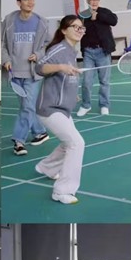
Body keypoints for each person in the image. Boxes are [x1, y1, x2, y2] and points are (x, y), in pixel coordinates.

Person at [35, 15, 85, 205]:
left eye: (82, 28)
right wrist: (61, 66)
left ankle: (46, 167)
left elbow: (66, 80)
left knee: (68, 142)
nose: (79, 30)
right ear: (64, 30)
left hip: (63, 109)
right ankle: (62, 191)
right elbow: (39, 68)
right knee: (76, 143)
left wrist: (73, 94)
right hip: (49, 108)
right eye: (75, 27)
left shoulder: (72, 51)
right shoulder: (59, 49)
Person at [1, 0, 50, 156]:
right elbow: (2, 44)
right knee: (26, 106)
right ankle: (40, 132)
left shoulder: (41, 22)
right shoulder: (9, 21)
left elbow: (48, 45)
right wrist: (6, 60)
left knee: (27, 107)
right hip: (14, 72)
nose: (30, 2)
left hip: (32, 73)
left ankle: (19, 141)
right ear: (18, 2)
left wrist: (38, 54)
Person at [76, 0, 118, 117]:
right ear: (87, 1)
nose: (94, 2)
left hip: (103, 52)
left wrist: (98, 16)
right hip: (88, 52)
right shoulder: (83, 15)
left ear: (99, 1)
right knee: (86, 81)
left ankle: (104, 105)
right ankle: (86, 105)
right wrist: (86, 23)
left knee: (104, 81)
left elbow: (114, 21)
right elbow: (77, 29)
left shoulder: (105, 12)